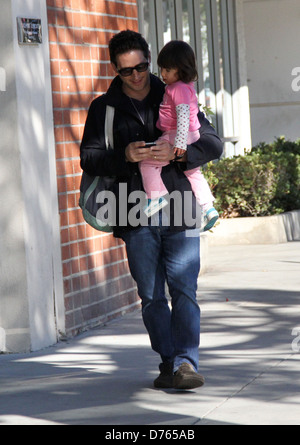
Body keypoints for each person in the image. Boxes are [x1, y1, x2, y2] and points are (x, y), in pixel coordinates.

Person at [80, 30, 223, 390]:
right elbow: (89, 157)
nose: (137, 76)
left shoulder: (176, 89)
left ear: (149, 60)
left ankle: (186, 363)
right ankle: (168, 359)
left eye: (142, 67)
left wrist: (181, 153)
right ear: (115, 69)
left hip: (181, 207)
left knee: (184, 290)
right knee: (152, 296)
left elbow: (212, 142)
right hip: (133, 211)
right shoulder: (104, 108)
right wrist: (125, 155)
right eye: (126, 71)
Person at [140, 40, 219, 231]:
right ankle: (208, 208)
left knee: (148, 161)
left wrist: (180, 144)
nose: (163, 74)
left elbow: (183, 116)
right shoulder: (187, 86)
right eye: (161, 69)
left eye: (168, 70)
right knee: (193, 172)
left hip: (175, 134)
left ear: (181, 69)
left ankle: (156, 196)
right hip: (188, 134)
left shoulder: (178, 89)